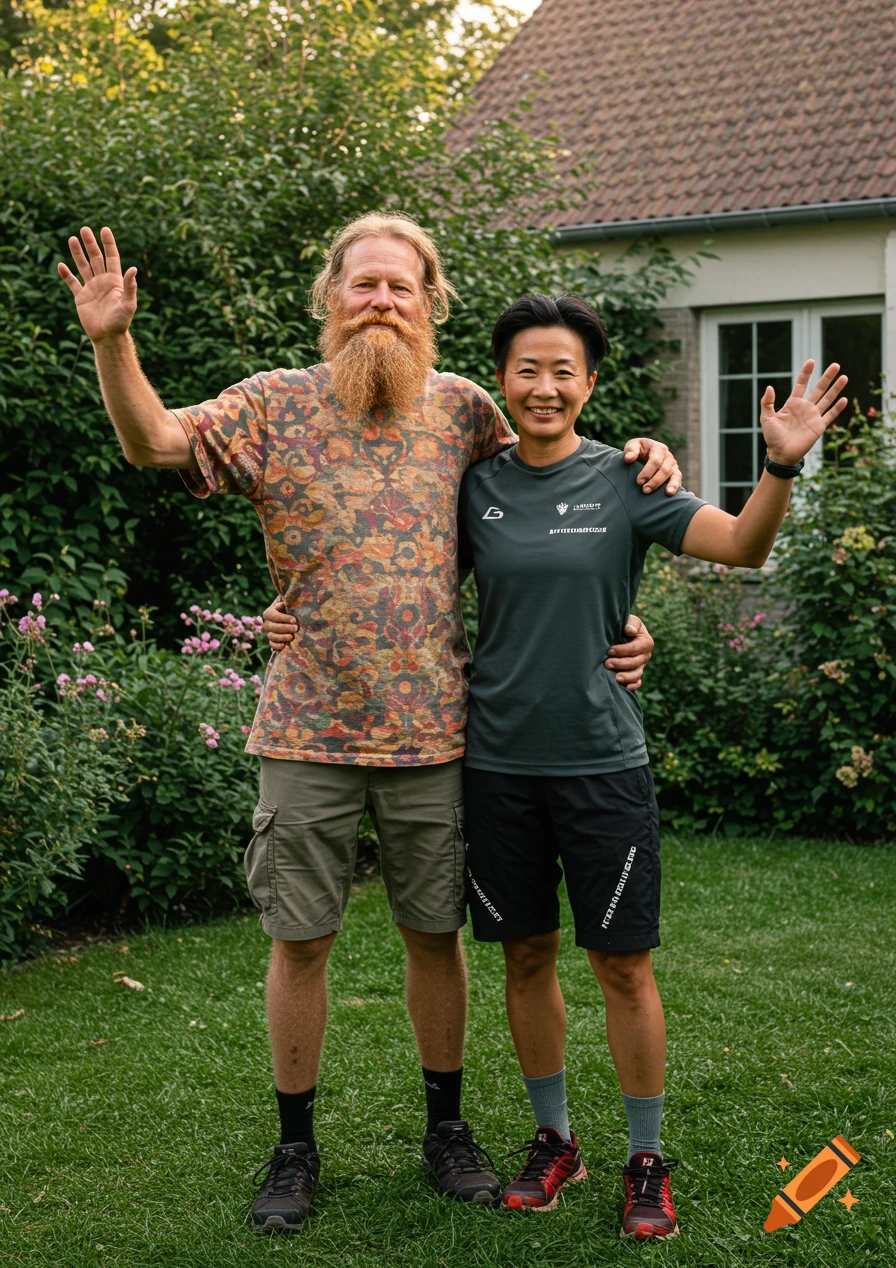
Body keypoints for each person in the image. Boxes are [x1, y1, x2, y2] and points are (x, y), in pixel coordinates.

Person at [57, 214, 679, 1234]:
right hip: (306, 726)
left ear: (431, 304)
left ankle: (446, 1130)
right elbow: (154, 439)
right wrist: (110, 340)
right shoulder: (271, 403)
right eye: (363, 285)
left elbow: (551, 488)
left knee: (434, 936)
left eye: (401, 286)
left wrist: (639, 475)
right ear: (328, 298)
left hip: (437, 733)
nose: (381, 301)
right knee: (300, 939)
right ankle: (294, 1146)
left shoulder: (467, 411)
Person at [451, 294, 845, 1238]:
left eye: (564, 370)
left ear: (590, 382)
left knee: (621, 964)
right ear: (502, 379)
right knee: (526, 954)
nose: (545, 386)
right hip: (496, 762)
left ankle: (644, 1159)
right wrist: (295, 613)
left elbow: (744, 548)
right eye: (527, 369)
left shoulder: (629, 478)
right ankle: (557, 1143)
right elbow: (394, 580)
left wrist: (781, 464)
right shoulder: (473, 485)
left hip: (600, 763)